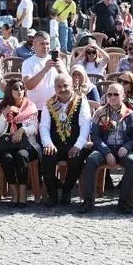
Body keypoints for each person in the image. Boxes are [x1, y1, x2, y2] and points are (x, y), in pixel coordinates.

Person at [79, 82, 133, 213]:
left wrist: (127, 146)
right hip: (104, 149)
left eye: (116, 94)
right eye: (109, 94)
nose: (112, 97)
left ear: (123, 96)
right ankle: (88, 200)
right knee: (91, 160)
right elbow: (95, 136)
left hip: (123, 150)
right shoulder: (99, 113)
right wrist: (106, 152)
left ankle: (123, 201)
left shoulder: (130, 114)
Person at [40, 72, 92, 205]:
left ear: (72, 85)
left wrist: (78, 145)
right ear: (55, 88)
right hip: (55, 143)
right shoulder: (49, 104)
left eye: (65, 85)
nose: (62, 89)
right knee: (47, 158)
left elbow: (85, 125)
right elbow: (44, 126)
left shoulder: (81, 101)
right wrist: (48, 143)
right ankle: (52, 195)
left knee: (76, 159)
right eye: (59, 86)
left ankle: (67, 190)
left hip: (74, 143)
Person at [0, 79, 40, 207]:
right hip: (7, 145)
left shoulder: (30, 106)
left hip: (26, 145)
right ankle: (13, 190)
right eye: (15, 88)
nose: (19, 90)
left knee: (21, 156)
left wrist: (22, 129)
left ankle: (23, 190)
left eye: (21, 88)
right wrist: (5, 114)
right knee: (6, 158)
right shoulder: (4, 106)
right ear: (10, 91)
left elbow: (34, 127)